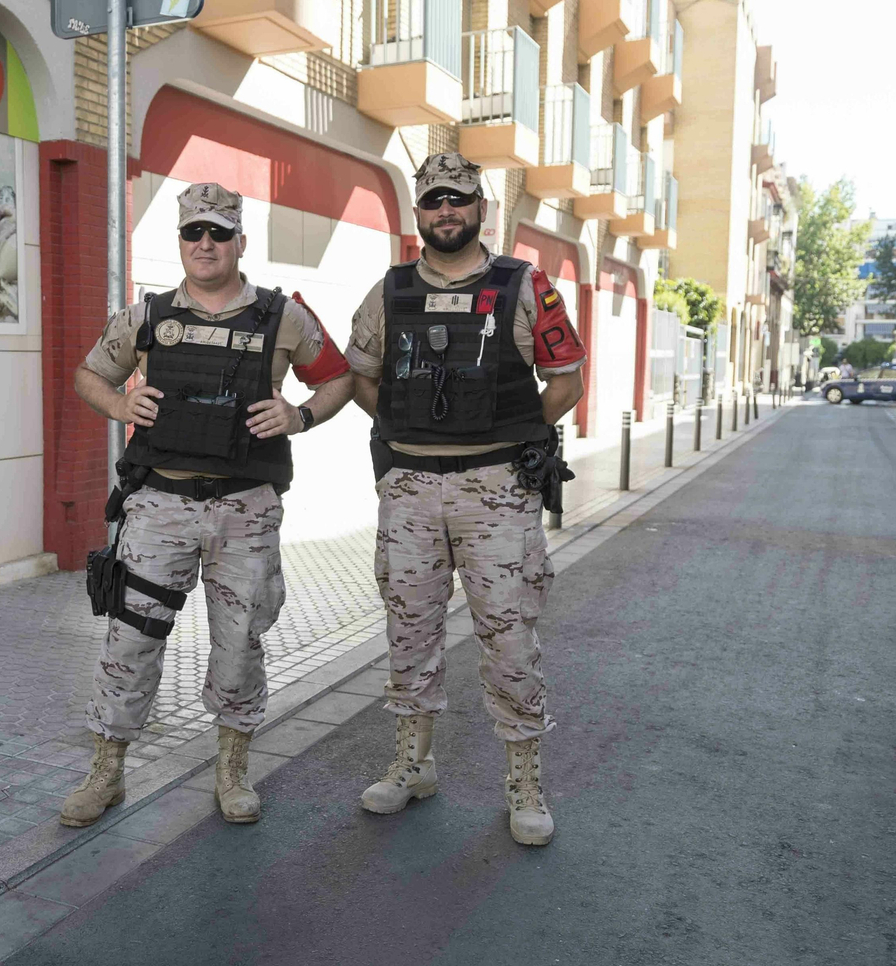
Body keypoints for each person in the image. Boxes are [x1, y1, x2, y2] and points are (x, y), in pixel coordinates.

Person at [62, 182, 354, 828]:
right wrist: (118, 404)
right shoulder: (146, 317)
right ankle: (107, 772)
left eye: (219, 233)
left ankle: (231, 771)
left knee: (239, 642)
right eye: (194, 233)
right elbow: (89, 374)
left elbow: (338, 377)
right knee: (129, 641)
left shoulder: (283, 317)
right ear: (181, 241)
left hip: (244, 509)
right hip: (159, 504)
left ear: (240, 242)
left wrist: (299, 414)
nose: (205, 244)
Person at [345, 152, 586, 846]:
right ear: (417, 213)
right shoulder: (389, 292)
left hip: (497, 494)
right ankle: (412, 766)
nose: (445, 211)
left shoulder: (524, 286)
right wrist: (398, 433)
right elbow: (363, 374)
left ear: (482, 209)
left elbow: (565, 379)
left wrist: (521, 441)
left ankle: (525, 784)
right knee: (409, 633)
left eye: (458, 199)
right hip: (412, 495)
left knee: (509, 639)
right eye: (432, 201)